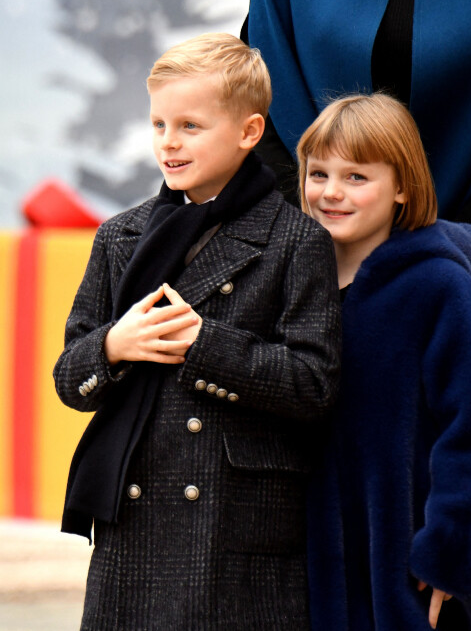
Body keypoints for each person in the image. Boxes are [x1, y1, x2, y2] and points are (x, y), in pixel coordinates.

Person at [245, 0, 471, 629]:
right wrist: (326, 237)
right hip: (320, 257)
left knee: (469, 459)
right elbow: (258, 112)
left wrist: (433, 253)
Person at [53, 32, 341, 630]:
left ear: (249, 132)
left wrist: (205, 344)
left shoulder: (296, 240)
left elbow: (315, 385)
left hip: (239, 534)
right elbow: (66, 377)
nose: (169, 143)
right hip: (132, 526)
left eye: (190, 125)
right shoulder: (120, 237)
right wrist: (113, 346)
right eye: (159, 124)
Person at [297, 93, 471, 630]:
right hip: (304, 577)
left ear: (401, 186)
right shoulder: (297, 284)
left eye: (356, 177)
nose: (331, 193)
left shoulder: (441, 287)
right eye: (318, 173)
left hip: (405, 577)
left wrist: (454, 557)